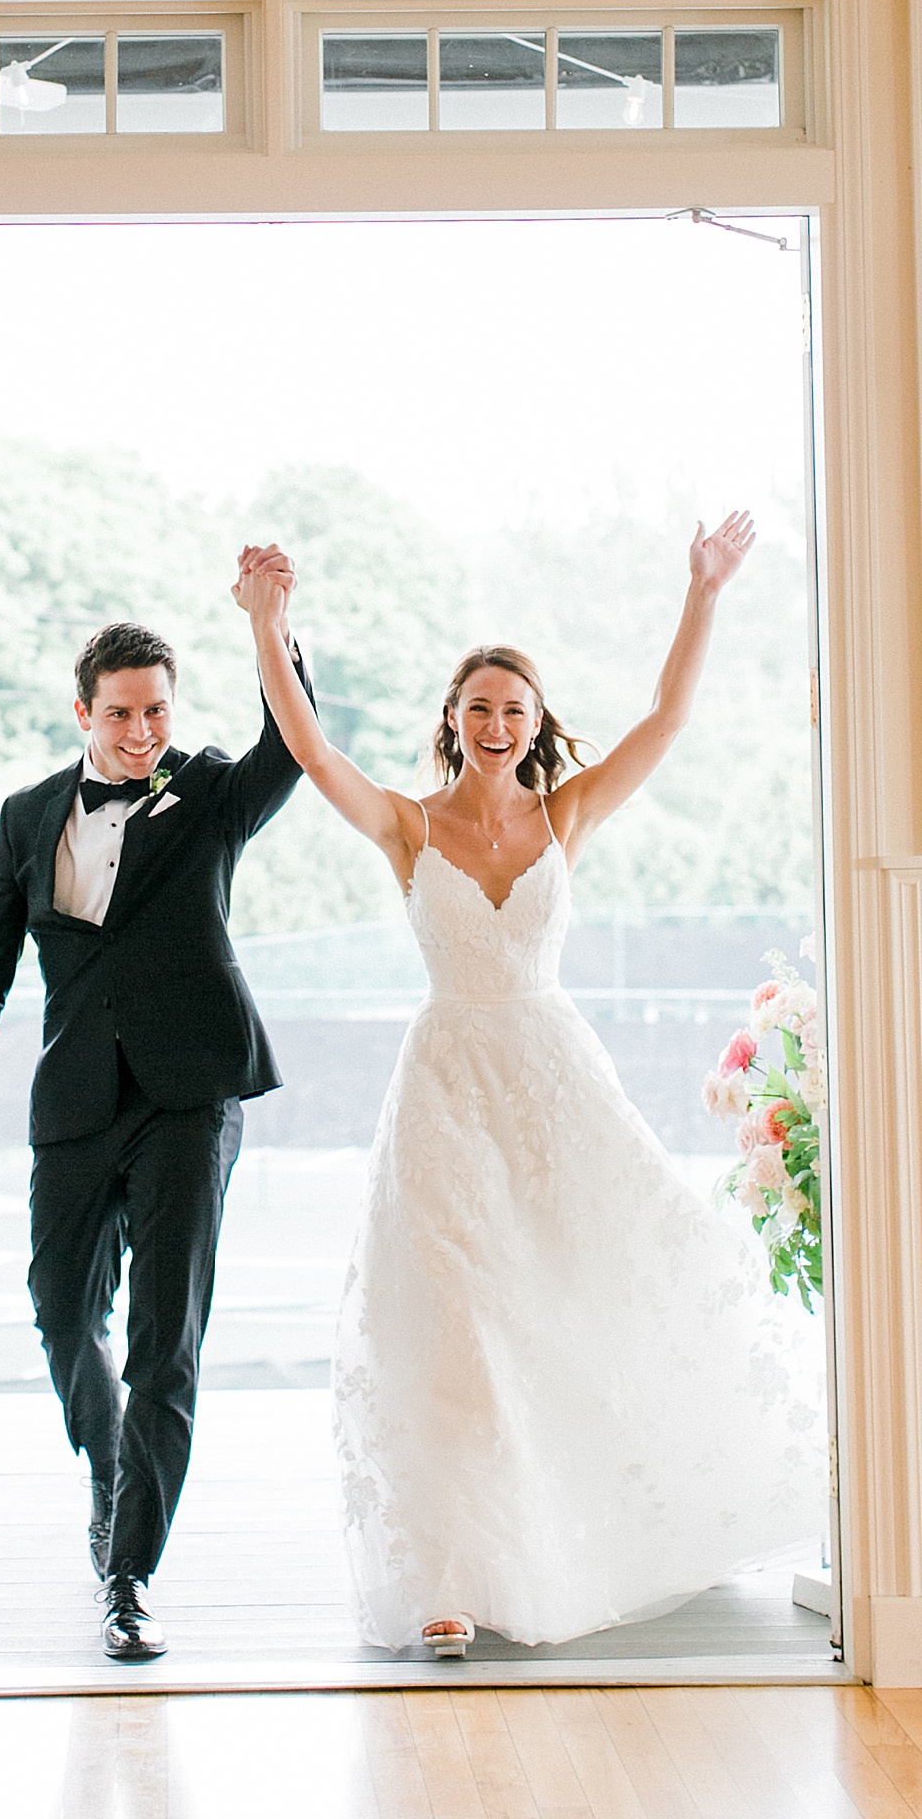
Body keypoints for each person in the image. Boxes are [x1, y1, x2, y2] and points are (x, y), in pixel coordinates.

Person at [234, 514, 826, 1655]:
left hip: (555, 1083)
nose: (495, 724)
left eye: (512, 709)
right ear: (450, 723)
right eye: (477, 707)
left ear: (530, 726)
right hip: (448, 1087)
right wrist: (271, 626)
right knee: (461, 1320)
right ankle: (451, 1578)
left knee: (584, 1292)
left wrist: (701, 589)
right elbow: (310, 753)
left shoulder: (565, 816)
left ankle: (601, 1528)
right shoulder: (406, 827)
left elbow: (666, 721)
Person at [0, 595, 315, 1661]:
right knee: (60, 1312)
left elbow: (294, 737)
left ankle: (129, 1576)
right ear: (81, 713)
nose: (141, 735)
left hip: (192, 1097)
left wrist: (272, 625)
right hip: (76, 1104)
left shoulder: (210, 795)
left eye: (155, 713)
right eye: (120, 717)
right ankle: (109, 1475)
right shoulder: (27, 813)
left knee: (164, 1345)